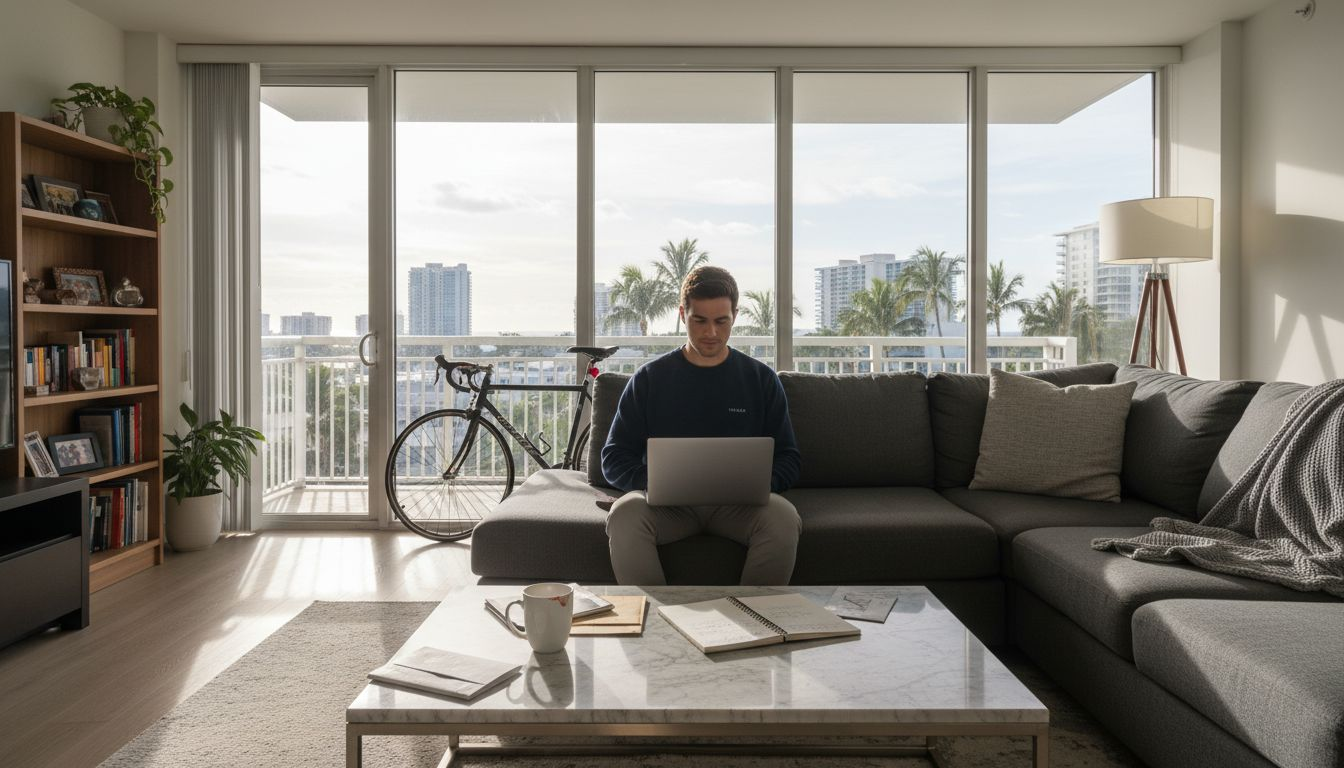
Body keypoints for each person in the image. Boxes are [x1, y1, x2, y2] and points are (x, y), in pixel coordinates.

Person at [601, 266, 802, 585]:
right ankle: (655, 624)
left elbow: (790, 457)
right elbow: (613, 457)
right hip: (667, 509)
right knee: (625, 514)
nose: (711, 333)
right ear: (683, 314)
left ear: (735, 315)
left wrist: (760, 485)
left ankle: (757, 622)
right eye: (700, 320)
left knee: (783, 517)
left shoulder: (760, 380)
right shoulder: (650, 380)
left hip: (739, 508)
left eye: (722, 321)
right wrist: (654, 484)